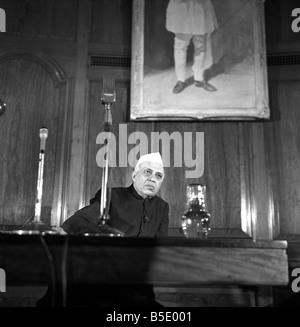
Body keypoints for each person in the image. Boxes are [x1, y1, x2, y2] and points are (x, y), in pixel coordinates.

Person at [37, 152, 169, 307]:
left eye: (158, 176)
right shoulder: (112, 195)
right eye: (148, 172)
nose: (153, 178)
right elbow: (88, 216)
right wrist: (64, 230)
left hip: (137, 283)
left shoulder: (162, 207)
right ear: (134, 175)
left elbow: (161, 244)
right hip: (103, 279)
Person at [166, 0, 218, 94]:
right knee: (180, 45)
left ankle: (199, 78)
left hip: (199, 6)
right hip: (181, 7)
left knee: (200, 44)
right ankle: (180, 80)